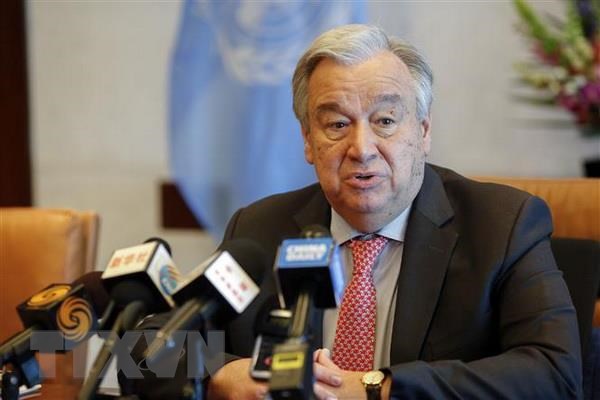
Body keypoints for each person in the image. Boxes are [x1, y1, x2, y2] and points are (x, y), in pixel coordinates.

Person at [205, 24, 582, 399]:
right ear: (308, 140)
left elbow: (555, 374)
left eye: (385, 121)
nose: (361, 149)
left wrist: (375, 387)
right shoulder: (258, 229)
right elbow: (169, 350)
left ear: (423, 131)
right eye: (337, 124)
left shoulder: (503, 225)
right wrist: (220, 373)